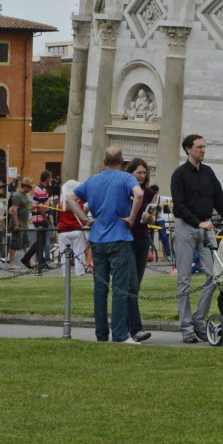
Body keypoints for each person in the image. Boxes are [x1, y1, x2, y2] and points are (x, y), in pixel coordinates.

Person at [70, 146, 148, 344]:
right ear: (122, 162)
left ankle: (101, 335)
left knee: (100, 288)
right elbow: (138, 194)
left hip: (97, 238)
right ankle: (120, 335)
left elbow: (70, 198)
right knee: (120, 288)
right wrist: (131, 218)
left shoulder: (93, 180)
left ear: (104, 162)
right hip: (119, 237)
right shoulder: (125, 178)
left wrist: (85, 220)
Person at [170, 132, 223, 343]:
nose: (203, 150)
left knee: (214, 274)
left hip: (206, 225)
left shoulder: (208, 172)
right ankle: (186, 327)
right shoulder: (179, 174)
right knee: (184, 278)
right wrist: (198, 222)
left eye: (204, 146)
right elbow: (179, 206)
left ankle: (198, 320)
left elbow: (219, 198)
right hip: (186, 226)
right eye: (199, 147)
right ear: (188, 149)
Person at [125, 159, 158, 337]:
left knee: (135, 286)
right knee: (131, 285)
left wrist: (149, 219)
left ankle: (124, 325)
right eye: (138, 172)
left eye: (144, 173)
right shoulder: (124, 191)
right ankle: (136, 329)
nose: (142, 176)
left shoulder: (149, 193)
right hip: (127, 239)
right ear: (131, 173)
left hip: (142, 238)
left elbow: (153, 218)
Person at [57, 181, 88, 277]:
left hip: (63, 230)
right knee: (79, 253)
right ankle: (80, 272)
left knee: (63, 254)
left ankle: (65, 273)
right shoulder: (79, 201)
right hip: (76, 229)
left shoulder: (60, 203)